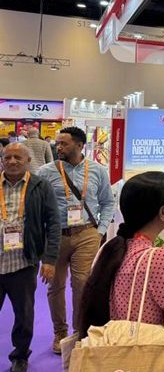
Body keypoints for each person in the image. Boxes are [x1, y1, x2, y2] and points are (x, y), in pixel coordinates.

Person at [77, 172, 164, 341]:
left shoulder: (110, 249)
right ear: (163, 212)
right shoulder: (158, 258)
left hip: (114, 349)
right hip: (147, 354)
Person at [36, 126, 115, 353]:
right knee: (55, 285)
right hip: (55, 236)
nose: (58, 147)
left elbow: (107, 202)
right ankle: (60, 332)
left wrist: (99, 231)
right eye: (57, 143)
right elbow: (36, 204)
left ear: (80, 145)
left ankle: (79, 331)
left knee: (82, 284)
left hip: (86, 234)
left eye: (64, 143)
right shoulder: (45, 172)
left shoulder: (98, 170)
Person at [0, 143, 60, 372]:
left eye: (18, 157)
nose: (12, 161)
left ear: (27, 161)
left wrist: (50, 259)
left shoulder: (41, 186)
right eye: (8, 157)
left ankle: (20, 356)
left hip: (23, 262)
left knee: (23, 314)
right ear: (2, 160)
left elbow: (53, 223)